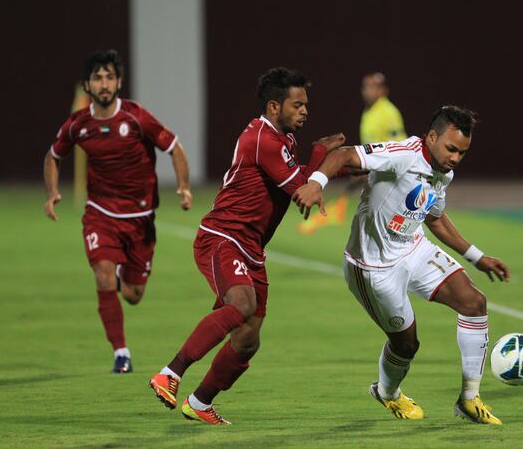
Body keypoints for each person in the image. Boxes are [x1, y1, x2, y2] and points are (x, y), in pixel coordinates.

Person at [148, 67, 345, 425]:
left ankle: (200, 402)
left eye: (306, 104)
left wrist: (348, 165)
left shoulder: (282, 138)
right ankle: (170, 373)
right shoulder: (262, 140)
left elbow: (302, 176)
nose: (305, 111)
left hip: (251, 248)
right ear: (274, 106)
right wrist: (323, 156)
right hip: (222, 238)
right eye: (297, 105)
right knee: (241, 304)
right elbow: (301, 190)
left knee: (248, 339)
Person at [293, 106, 510, 424]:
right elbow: (342, 155)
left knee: (474, 303)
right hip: (372, 267)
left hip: (413, 247)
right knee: (406, 345)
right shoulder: (402, 154)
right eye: (451, 149)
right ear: (432, 137)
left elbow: (434, 219)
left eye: (462, 153)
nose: (455, 158)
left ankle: (469, 399)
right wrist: (316, 183)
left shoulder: (443, 172)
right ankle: (387, 392)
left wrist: (478, 257)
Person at [43, 49, 192, 374]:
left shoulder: (137, 117)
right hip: (100, 215)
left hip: (140, 219)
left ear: (119, 81)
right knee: (103, 275)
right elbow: (53, 156)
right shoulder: (78, 125)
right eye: (97, 77)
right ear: (88, 85)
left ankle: (126, 276)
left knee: (134, 295)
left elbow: (175, 147)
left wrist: (184, 186)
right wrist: (53, 192)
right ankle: (121, 353)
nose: (104, 83)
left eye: (110, 76)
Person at [298, 72, 406, 234]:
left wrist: (375, 165)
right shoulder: (370, 111)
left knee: (387, 225)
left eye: (373, 87)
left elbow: (400, 147)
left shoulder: (388, 112)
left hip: (391, 177)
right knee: (370, 221)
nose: (368, 91)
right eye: (366, 87)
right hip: (374, 172)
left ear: (383, 90)